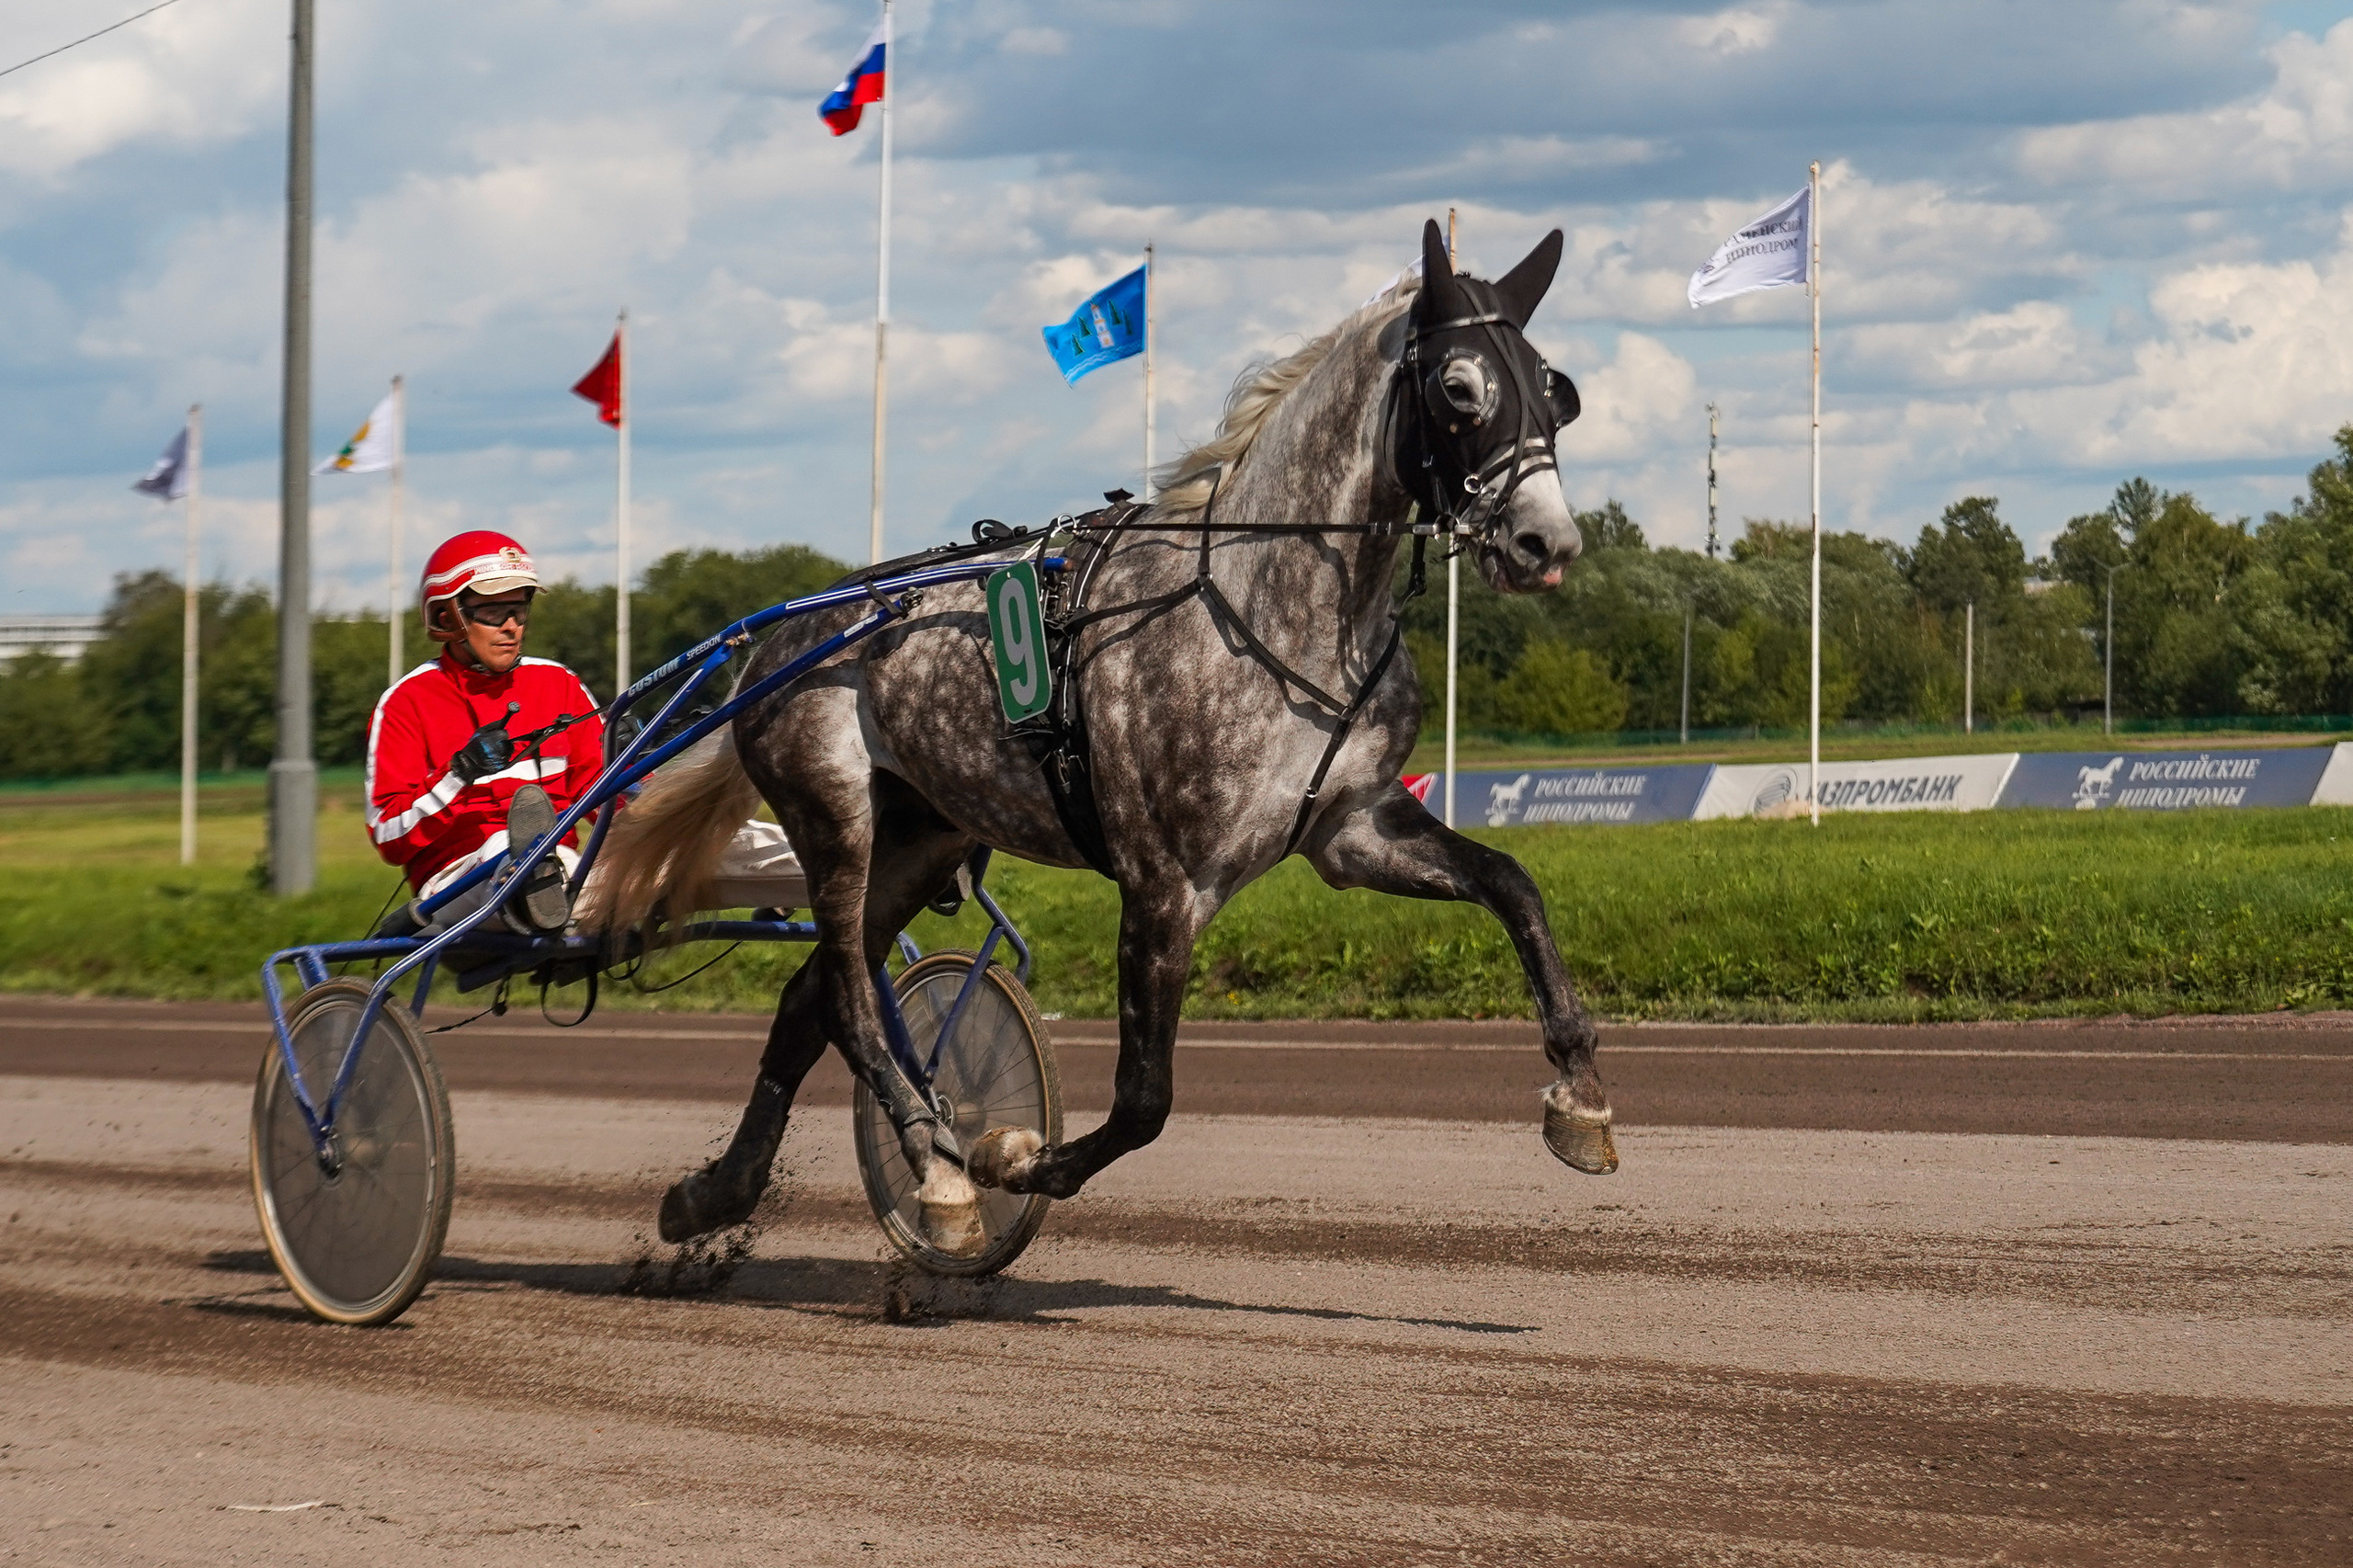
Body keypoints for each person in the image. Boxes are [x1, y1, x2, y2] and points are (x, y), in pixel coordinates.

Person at [366, 530, 604, 937]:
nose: (512, 627)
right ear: (447, 618)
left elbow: (604, 792)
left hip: (564, 864)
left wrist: (656, 794)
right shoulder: (407, 701)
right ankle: (539, 884)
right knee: (506, 851)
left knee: (703, 845)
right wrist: (459, 774)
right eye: (493, 612)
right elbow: (389, 836)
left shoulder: (558, 683)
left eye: (519, 610)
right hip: (454, 883)